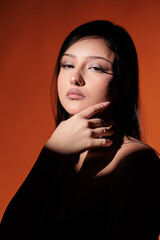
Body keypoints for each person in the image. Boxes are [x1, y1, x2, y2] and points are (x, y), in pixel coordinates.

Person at [0, 20, 160, 240]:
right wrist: (50, 155)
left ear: (124, 86)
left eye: (95, 67)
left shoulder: (135, 159)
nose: (74, 78)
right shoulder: (62, 159)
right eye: (67, 65)